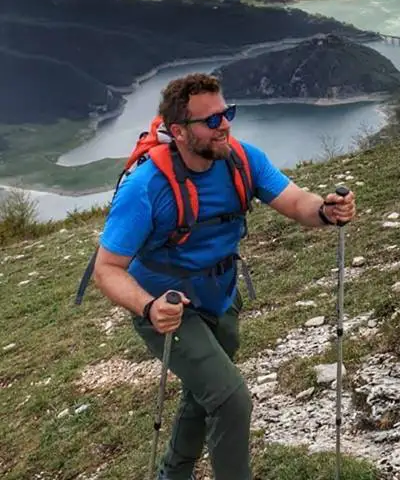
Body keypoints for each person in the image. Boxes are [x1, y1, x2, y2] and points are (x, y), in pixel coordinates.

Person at [92, 72, 357, 480]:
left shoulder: (241, 158)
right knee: (231, 399)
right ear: (178, 131)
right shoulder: (146, 185)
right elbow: (107, 268)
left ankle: (172, 474)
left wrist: (326, 210)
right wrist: (148, 306)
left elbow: (294, 201)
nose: (225, 125)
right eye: (212, 120)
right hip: (169, 308)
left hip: (222, 297)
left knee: (206, 395)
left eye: (227, 113)